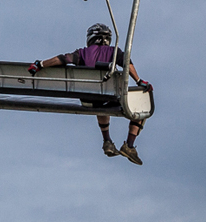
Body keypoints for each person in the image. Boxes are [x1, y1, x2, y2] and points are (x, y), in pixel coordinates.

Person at [28, 23, 152, 165]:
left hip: (89, 100)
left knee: (99, 98)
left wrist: (40, 64)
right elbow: (127, 64)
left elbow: (62, 59)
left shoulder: (81, 53)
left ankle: (107, 141)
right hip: (110, 98)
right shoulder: (114, 51)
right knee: (141, 107)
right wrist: (139, 81)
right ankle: (129, 146)